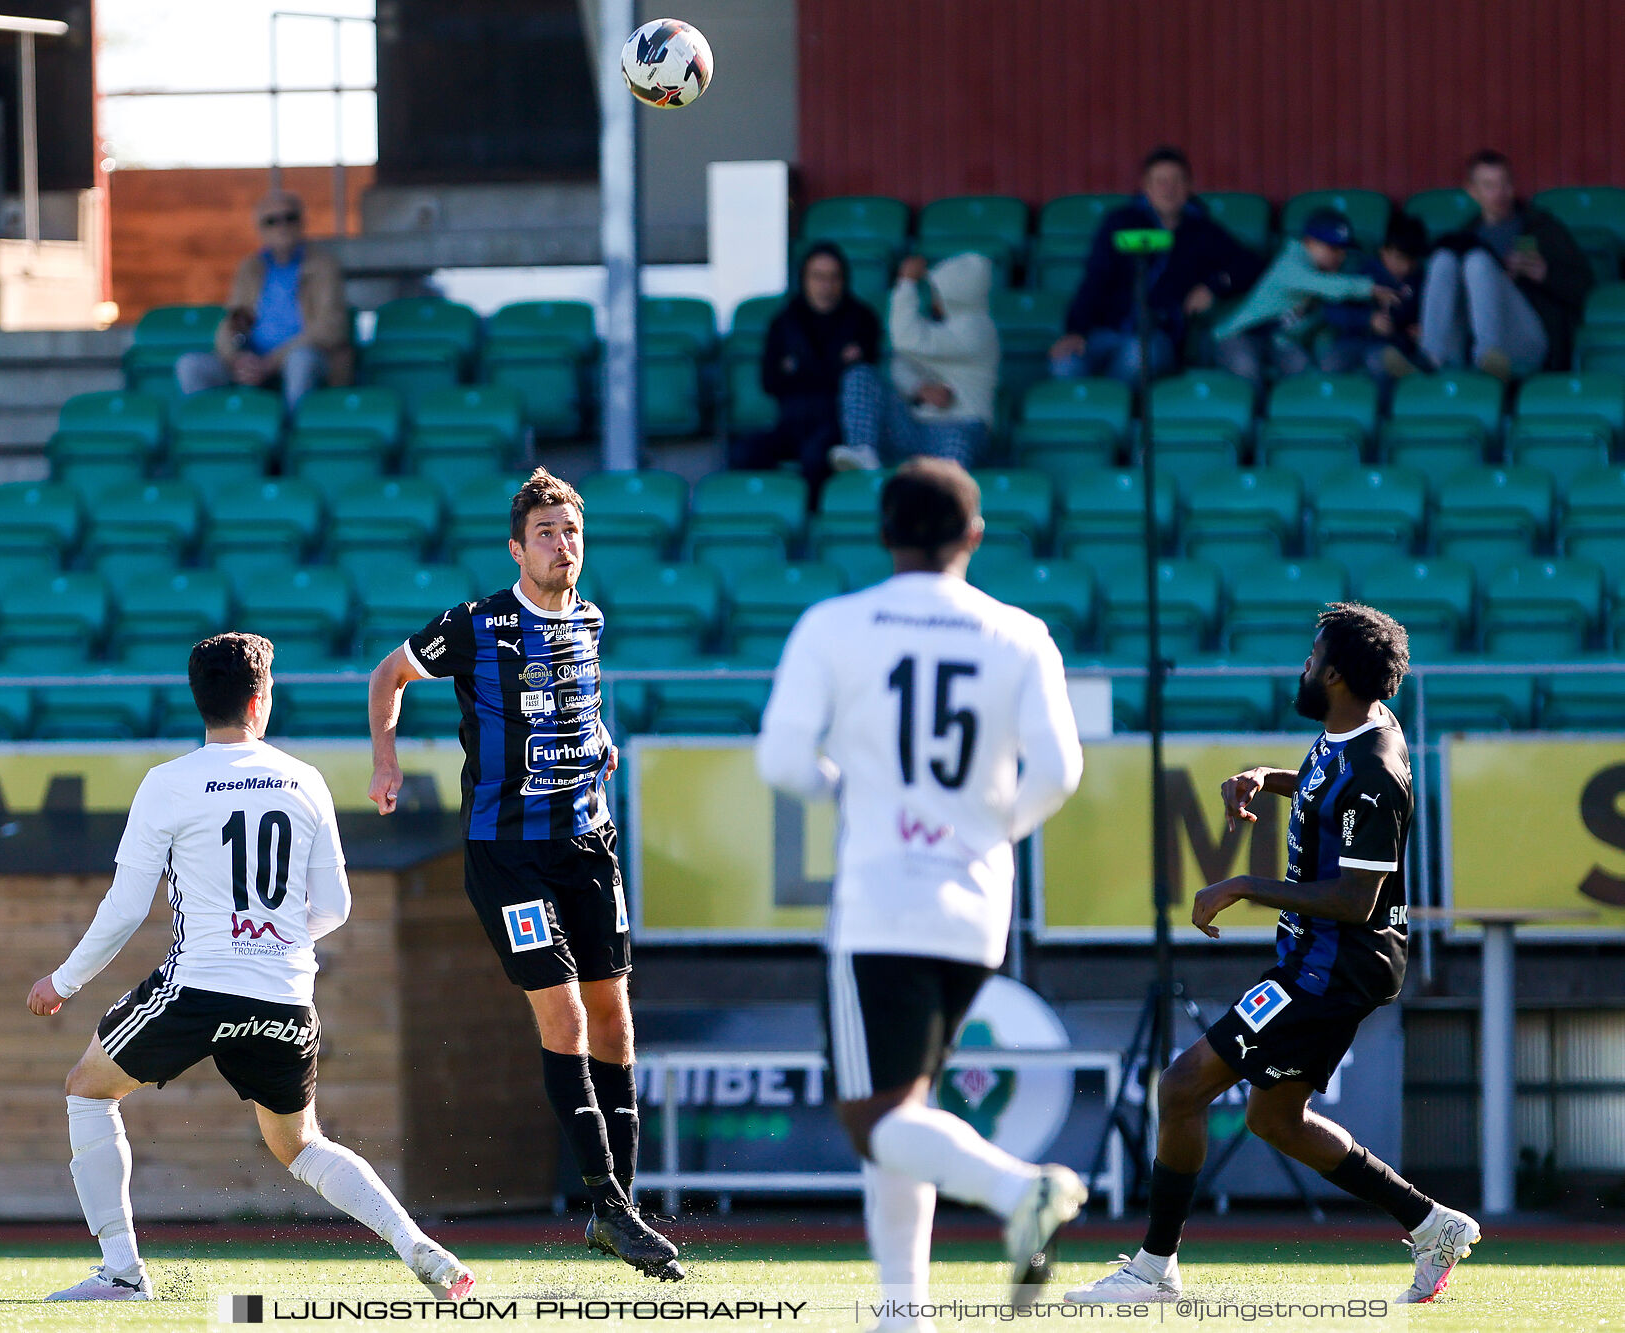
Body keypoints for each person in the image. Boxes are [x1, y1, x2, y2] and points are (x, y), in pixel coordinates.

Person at [26, 633, 473, 1303]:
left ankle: (121, 1270)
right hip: (285, 997)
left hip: (198, 989)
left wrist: (61, 981)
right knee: (301, 1144)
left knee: (88, 1089)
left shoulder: (168, 783)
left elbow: (124, 907)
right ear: (260, 702)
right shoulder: (305, 779)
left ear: (199, 701)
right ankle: (414, 1242)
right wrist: (272, 937)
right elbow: (338, 906)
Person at [1069, 603, 1480, 1308]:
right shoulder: (1351, 730)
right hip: (1317, 959)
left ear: (1339, 674)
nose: (1302, 667)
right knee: (1273, 1119)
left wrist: (1242, 885)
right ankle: (1431, 1222)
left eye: (1312, 657)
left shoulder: (1378, 768)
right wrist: (1271, 775)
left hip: (1331, 969)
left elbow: (1355, 899)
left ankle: (1154, 1268)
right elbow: (1328, 786)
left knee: (1181, 1086)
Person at [756, 458, 1088, 1326]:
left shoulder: (835, 624)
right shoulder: (1020, 633)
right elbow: (1061, 769)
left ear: (882, 533)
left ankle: (1023, 1187)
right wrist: (988, 831)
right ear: (974, 535)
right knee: (909, 1109)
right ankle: (903, 1312)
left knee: (874, 1120)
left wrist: (849, 790)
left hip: (879, 899)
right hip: (977, 906)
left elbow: (782, 759)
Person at [366, 467, 682, 1282]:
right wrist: (386, 757)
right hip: (506, 854)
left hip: (588, 845)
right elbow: (386, 675)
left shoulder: (591, 620)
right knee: (567, 1018)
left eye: (571, 531)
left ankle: (621, 1210)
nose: (562, 544)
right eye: (546, 533)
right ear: (517, 548)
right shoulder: (475, 624)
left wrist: (600, 735)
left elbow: (580, 700)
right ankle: (606, 1200)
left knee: (616, 1024)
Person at [1049, 145, 1265, 383]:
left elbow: (1251, 266)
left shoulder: (1203, 231)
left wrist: (1213, 285)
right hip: (1107, 331)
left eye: (1176, 181)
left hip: (1159, 337)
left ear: (1189, 187)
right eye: (1160, 181)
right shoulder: (1121, 222)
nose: (1168, 190)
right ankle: (1100, 410)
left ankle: (1112, 409)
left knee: (1136, 357)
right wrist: (1076, 331)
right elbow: (1094, 279)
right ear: (1146, 187)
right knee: (1064, 364)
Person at [1419, 149, 1593, 379]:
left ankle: (1487, 356)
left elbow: (1586, 288)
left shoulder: (1542, 228)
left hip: (1528, 339)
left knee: (1477, 262)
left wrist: (1545, 274)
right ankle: (1430, 357)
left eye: (1505, 184)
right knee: (1443, 259)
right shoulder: (1468, 234)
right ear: (1472, 191)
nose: (1499, 193)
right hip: (1467, 338)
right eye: (1489, 186)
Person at [175, 189, 353, 413]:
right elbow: (233, 321)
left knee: (301, 361)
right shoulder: (251, 267)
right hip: (253, 361)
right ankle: (208, 436)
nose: (282, 226)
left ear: (302, 222)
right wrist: (236, 359)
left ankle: (293, 437)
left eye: (290, 218)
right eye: (272, 221)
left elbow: (332, 327)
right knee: (190, 365)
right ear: (260, 229)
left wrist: (271, 362)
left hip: (300, 358)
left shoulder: (323, 265)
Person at [730, 242, 883, 500]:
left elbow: (863, 380)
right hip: (791, 422)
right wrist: (832, 367)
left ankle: (815, 527)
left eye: (834, 277)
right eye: (818, 276)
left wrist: (799, 370)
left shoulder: (862, 319)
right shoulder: (784, 322)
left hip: (839, 424)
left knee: (815, 456)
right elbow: (770, 382)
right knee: (744, 452)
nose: (826, 285)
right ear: (804, 279)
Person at [830, 252, 998, 472]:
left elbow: (905, 338)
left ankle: (946, 497)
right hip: (916, 425)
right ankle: (864, 450)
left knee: (954, 448)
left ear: (957, 295)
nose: (934, 298)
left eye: (939, 292)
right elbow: (900, 364)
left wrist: (906, 282)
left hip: (961, 427)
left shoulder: (978, 330)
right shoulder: (938, 325)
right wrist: (919, 388)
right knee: (860, 375)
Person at [1212, 210, 1400, 387]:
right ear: (1309, 242)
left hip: (1278, 341)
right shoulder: (1291, 262)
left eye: (1343, 250)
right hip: (1238, 336)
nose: (1340, 256)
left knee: (1302, 370)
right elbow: (1321, 284)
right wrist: (1370, 288)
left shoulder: (1328, 271)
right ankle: (1256, 420)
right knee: (1246, 368)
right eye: (1332, 248)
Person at [1321, 212, 1431, 381]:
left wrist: (1418, 328)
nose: (1406, 267)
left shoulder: (1419, 280)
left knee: (1379, 360)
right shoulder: (1363, 273)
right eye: (1399, 258)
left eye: (1412, 261)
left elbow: (1423, 314)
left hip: (1392, 344)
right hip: (1355, 339)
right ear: (1384, 252)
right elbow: (1332, 311)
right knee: (1330, 363)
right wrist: (1369, 319)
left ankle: (1406, 393)